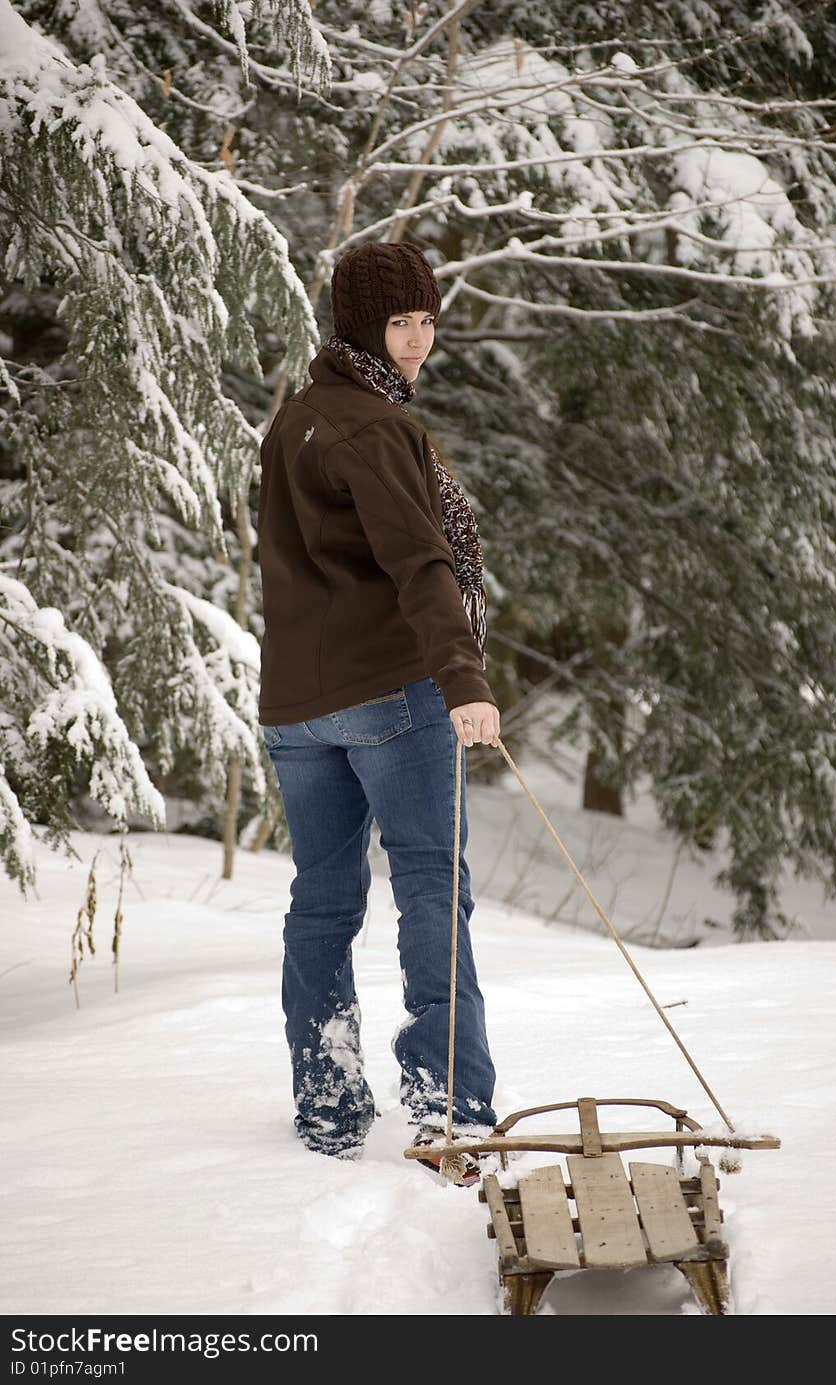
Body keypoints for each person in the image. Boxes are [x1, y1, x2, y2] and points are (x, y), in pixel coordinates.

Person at [257, 240, 500, 1177]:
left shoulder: (294, 422)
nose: (418, 341)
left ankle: (327, 1103)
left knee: (322, 899)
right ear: (361, 326)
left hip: (295, 707)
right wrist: (464, 680)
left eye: (428, 320)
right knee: (433, 885)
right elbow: (422, 562)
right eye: (401, 323)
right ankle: (451, 1101)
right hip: (393, 697)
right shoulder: (381, 429)